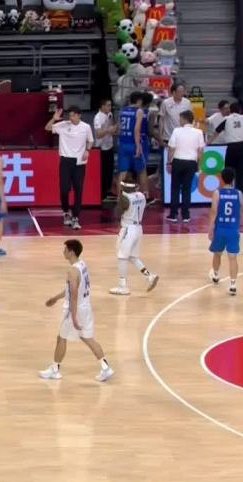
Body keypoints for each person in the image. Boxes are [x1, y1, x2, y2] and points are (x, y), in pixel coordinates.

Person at [39, 239, 115, 383]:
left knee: (61, 338)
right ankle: (106, 367)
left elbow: (73, 294)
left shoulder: (72, 271)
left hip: (75, 309)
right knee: (87, 338)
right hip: (85, 307)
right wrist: (55, 298)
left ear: (71, 252)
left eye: (65, 250)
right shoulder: (82, 265)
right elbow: (71, 290)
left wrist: (73, 317)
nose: (63, 252)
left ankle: (55, 370)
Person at [45, 106, 93, 230]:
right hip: (66, 161)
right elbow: (48, 128)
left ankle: (76, 217)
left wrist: (87, 150)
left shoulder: (86, 127)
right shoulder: (63, 125)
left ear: (79, 115)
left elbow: (90, 140)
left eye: (73, 115)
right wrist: (54, 119)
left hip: (79, 163)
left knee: (78, 190)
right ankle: (66, 212)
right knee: (64, 189)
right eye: (70, 115)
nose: (71, 118)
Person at [110, 180, 159, 295]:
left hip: (128, 229)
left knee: (122, 257)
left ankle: (122, 286)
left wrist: (119, 200)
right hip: (138, 228)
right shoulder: (141, 196)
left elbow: (116, 213)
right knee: (132, 257)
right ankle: (149, 276)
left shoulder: (125, 199)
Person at [208, 167, 243, 296]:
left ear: (222, 179)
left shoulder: (217, 193)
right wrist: (237, 219)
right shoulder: (238, 193)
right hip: (233, 229)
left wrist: (210, 228)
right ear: (233, 179)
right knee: (233, 257)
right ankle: (233, 285)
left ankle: (216, 274)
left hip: (221, 228)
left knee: (217, 253)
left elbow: (214, 211)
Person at [166, 110, 205, 223]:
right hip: (191, 163)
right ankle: (186, 215)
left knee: (175, 188)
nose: (179, 120)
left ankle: (173, 214)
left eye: (180, 118)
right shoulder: (199, 132)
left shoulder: (177, 131)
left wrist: (169, 162)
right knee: (187, 189)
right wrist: (199, 165)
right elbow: (200, 151)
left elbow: (171, 148)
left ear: (184, 119)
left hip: (178, 161)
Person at [115, 93, 150, 203]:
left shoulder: (122, 111)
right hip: (133, 144)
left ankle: (119, 198)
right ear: (139, 100)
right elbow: (136, 130)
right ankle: (145, 196)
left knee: (122, 172)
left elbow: (119, 128)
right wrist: (138, 145)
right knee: (142, 170)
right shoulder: (139, 111)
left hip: (123, 143)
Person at [212, 101, 243, 194]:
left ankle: (228, 191)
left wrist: (208, 142)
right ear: (240, 110)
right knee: (242, 173)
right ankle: (240, 194)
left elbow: (217, 131)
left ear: (230, 110)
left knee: (229, 171)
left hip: (232, 147)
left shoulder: (227, 119)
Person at [93, 99, 118, 200]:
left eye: (110, 105)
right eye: (108, 105)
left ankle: (108, 190)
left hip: (109, 146)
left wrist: (114, 130)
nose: (110, 107)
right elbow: (98, 134)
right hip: (101, 148)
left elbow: (111, 130)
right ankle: (101, 193)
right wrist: (108, 130)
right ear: (102, 106)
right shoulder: (98, 118)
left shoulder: (110, 115)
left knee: (109, 170)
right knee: (103, 171)